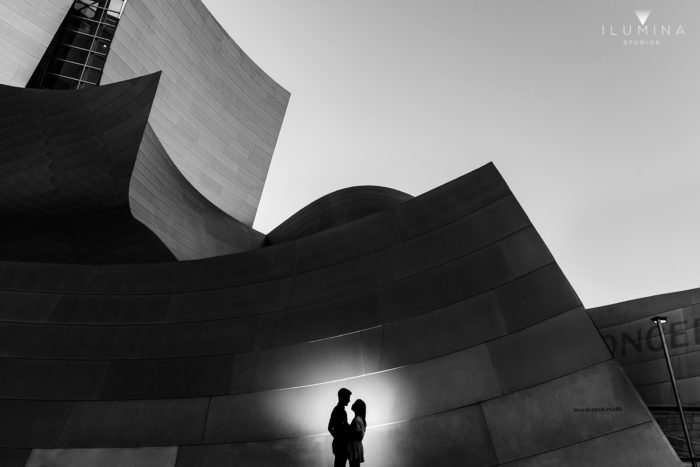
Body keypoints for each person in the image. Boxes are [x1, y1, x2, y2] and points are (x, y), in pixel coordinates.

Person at [328, 387, 351, 467]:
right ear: (343, 397)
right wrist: (339, 438)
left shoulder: (340, 410)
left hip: (341, 445)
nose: (349, 400)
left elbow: (331, 428)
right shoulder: (338, 410)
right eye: (348, 398)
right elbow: (330, 427)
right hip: (341, 446)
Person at [347, 399, 366, 466]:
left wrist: (347, 432)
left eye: (355, 403)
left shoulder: (357, 419)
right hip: (356, 446)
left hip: (354, 447)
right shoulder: (359, 418)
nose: (352, 404)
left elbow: (358, 434)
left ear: (358, 407)